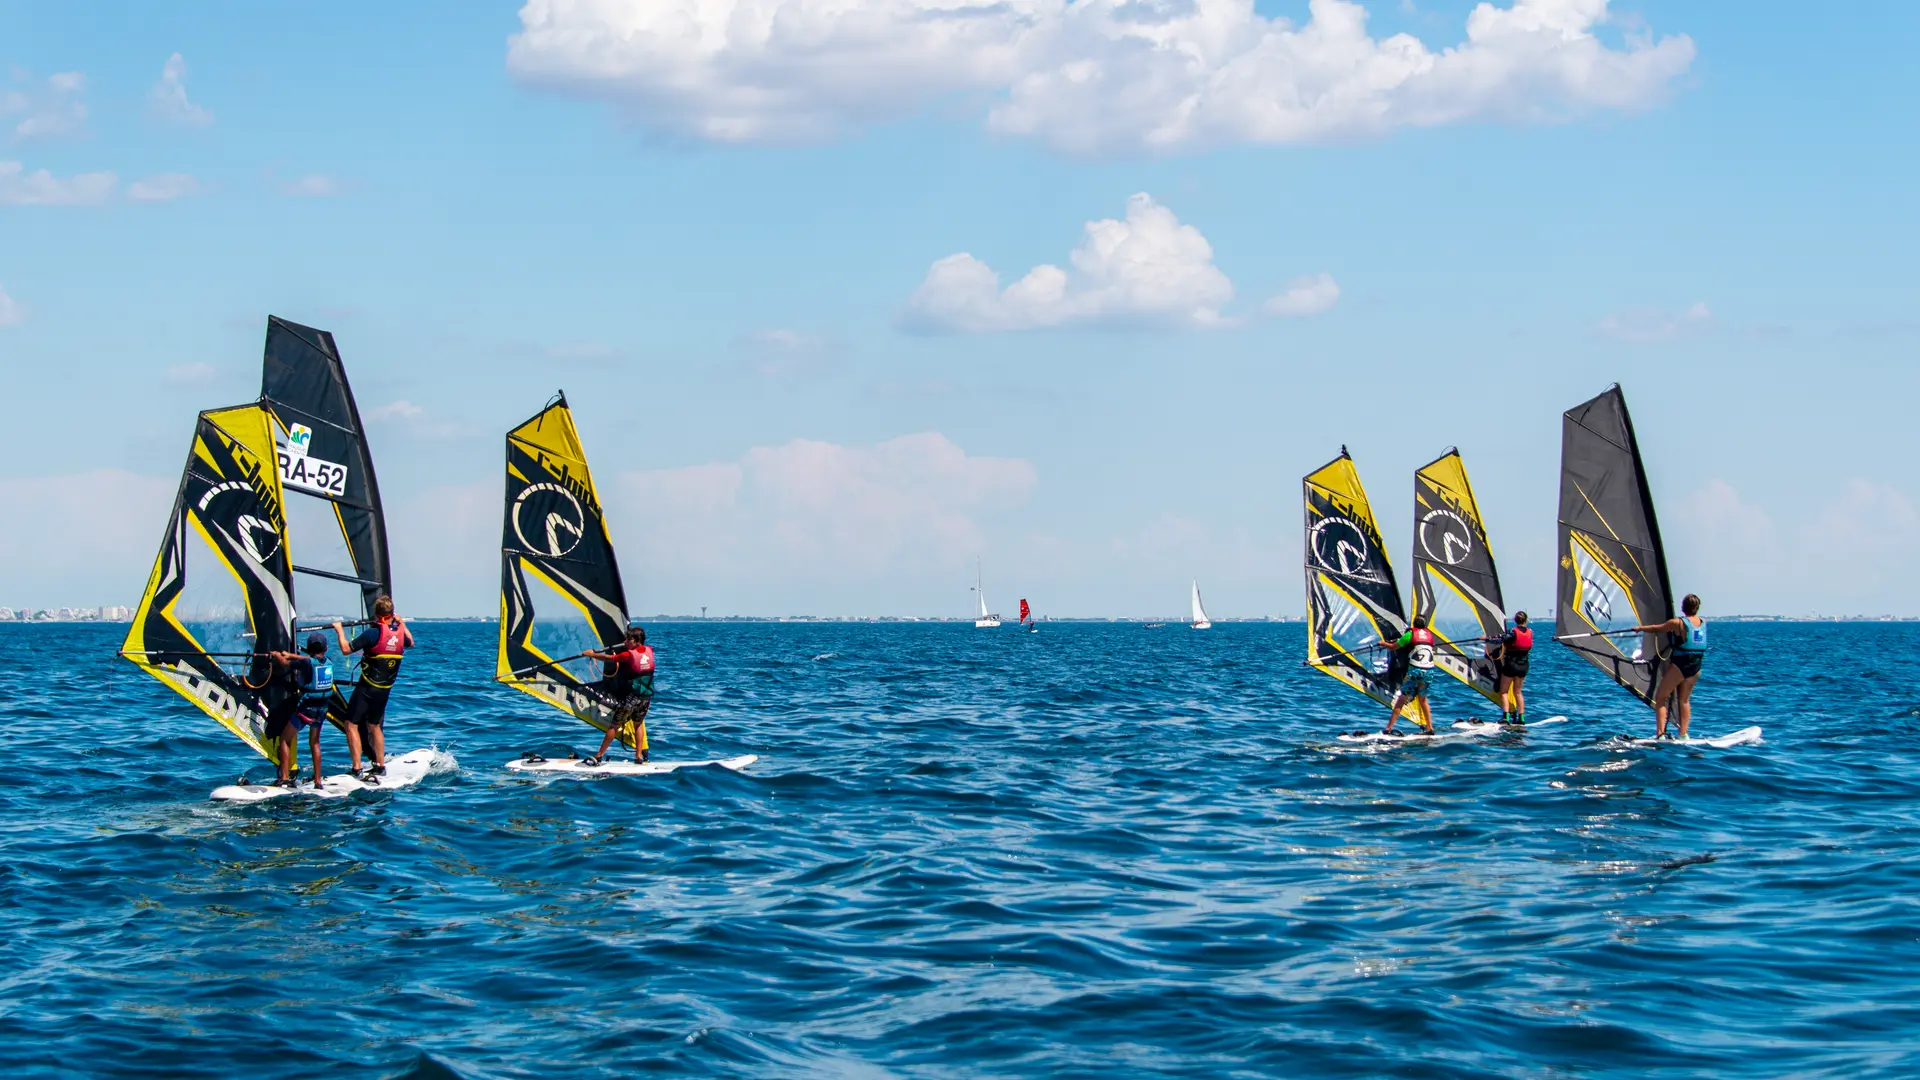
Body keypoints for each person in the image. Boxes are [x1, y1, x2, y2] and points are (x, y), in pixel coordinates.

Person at [334, 596, 413, 781]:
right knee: (375, 725)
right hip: (384, 690)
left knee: (350, 724)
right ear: (392, 614)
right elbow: (411, 642)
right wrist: (401, 624)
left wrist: (339, 630)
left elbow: (346, 649)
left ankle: (356, 768)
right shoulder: (400, 633)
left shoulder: (372, 633)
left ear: (378, 616)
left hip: (367, 688)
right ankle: (380, 765)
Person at [1633, 594, 1708, 739]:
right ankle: (1683, 734)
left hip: (1681, 664)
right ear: (1697, 608)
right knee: (1684, 700)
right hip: (1696, 666)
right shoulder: (1703, 622)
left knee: (1661, 697)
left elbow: (1657, 628)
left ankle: (1660, 734)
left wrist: (1639, 628)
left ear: (1683, 607)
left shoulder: (1677, 623)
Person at [266, 634, 336, 788]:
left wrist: (278, 655)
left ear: (309, 649)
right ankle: (318, 781)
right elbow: (309, 659)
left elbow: (285, 664)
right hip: (322, 709)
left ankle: (284, 778)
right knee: (315, 743)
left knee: (284, 739)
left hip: (307, 709)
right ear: (326, 648)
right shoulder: (328, 661)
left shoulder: (306, 664)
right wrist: (292, 654)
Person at [580, 626, 655, 766]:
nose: (625, 641)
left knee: (614, 725)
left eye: (628, 639)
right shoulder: (649, 650)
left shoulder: (628, 655)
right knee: (638, 725)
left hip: (631, 697)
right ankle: (638, 756)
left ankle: (599, 755)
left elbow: (610, 658)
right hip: (646, 696)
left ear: (636, 640)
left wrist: (592, 654)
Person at [1383, 615, 1439, 735]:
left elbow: (1394, 647)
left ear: (1414, 624)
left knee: (1401, 699)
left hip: (1416, 671)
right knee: (1423, 699)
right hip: (1429, 671)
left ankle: (1388, 729)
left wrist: (1383, 643)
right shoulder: (1429, 636)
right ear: (1425, 625)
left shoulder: (1409, 634)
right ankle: (1430, 728)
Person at [1487, 611, 1534, 726]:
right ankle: (1521, 718)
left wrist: (1486, 638)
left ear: (1515, 620)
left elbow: (1500, 639)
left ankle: (1506, 717)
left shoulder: (1513, 632)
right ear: (1526, 620)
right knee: (1518, 692)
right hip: (1523, 665)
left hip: (1511, 665)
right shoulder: (1530, 632)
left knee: (1504, 692)